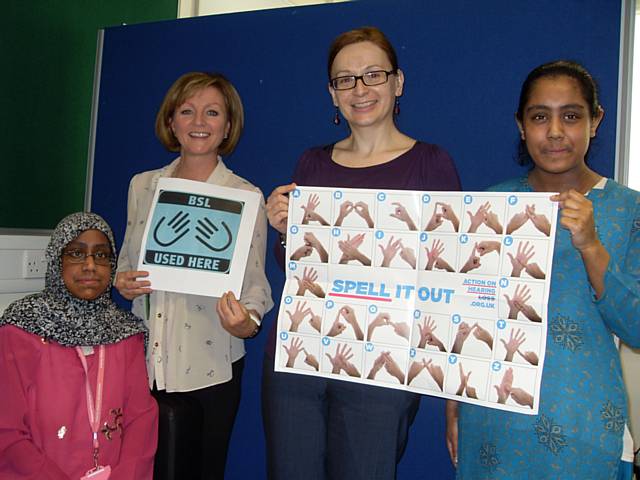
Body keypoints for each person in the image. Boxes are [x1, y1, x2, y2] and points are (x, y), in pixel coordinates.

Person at [262, 26, 461, 479]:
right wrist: (283, 230)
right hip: (300, 356)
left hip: (383, 363)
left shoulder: (432, 163)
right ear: (333, 95)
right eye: (345, 80)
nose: (360, 89)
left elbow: (451, 274)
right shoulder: (311, 163)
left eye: (373, 74)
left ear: (398, 83)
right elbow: (298, 269)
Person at [446, 60, 640, 479]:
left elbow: (636, 325)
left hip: (584, 424)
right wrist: (453, 401)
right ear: (521, 125)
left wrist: (590, 244)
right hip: (494, 424)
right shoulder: (491, 205)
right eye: (539, 117)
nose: (555, 131)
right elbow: (466, 316)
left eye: (571, 116)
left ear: (595, 121)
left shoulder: (628, 209)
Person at [115, 72, 273, 479]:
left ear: (227, 126)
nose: (199, 121)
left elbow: (255, 285)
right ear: (171, 122)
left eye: (212, 112)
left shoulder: (246, 196)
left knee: (203, 470)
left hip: (212, 363)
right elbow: (128, 262)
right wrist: (124, 280)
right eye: (187, 111)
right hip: (147, 359)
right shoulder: (143, 186)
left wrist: (246, 323)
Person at [0, 212, 158, 479]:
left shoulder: (127, 334)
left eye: (101, 255)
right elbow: (7, 431)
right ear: (56, 261)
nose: (90, 265)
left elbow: (141, 421)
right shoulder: (20, 330)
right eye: (76, 253)